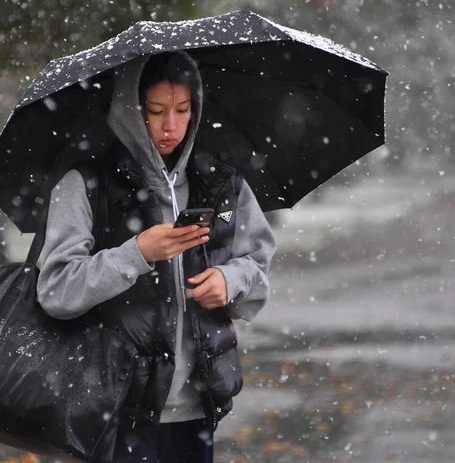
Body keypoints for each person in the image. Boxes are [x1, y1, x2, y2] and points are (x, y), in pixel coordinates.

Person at [35, 51, 277, 463]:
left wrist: (229, 280)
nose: (171, 125)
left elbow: (257, 265)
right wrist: (136, 254)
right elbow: (56, 290)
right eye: (157, 110)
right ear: (131, 112)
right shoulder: (86, 184)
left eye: (183, 110)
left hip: (198, 404)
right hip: (115, 408)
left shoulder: (220, 184)